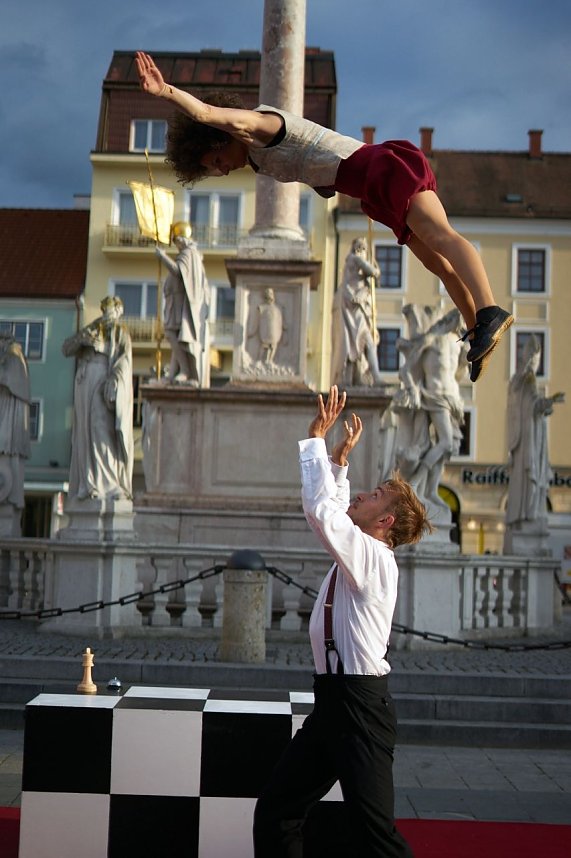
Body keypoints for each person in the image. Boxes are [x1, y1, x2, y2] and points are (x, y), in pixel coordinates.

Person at [135, 50, 513, 383]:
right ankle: (478, 333)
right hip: (370, 188)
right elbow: (311, 162)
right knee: (438, 264)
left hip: (382, 170)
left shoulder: (258, 126)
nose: (221, 170)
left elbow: (205, 114)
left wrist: (164, 91)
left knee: (444, 238)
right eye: (212, 170)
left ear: (222, 136)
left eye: (217, 160)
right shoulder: (258, 158)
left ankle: (489, 309)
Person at [253, 385, 432, 858]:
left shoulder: (374, 557)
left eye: (375, 496)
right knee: (277, 811)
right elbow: (334, 512)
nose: (364, 495)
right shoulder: (363, 549)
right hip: (334, 702)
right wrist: (336, 463)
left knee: (376, 836)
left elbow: (323, 514)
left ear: (385, 522)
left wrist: (316, 440)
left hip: (361, 709)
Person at [62, 296, 134, 501]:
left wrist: (114, 378)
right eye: (105, 309)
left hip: (103, 380)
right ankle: (87, 483)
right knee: (84, 432)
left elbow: (124, 360)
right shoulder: (91, 328)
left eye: (112, 309)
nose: (108, 313)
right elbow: (66, 348)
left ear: (119, 311)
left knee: (100, 428)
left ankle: (109, 484)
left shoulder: (120, 331)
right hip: (84, 381)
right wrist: (82, 341)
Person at [505, 334, 564, 526]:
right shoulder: (525, 380)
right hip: (528, 440)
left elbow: (531, 405)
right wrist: (551, 401)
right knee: (530, 478)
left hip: (531, 437)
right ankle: (528, 513)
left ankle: (528, 513)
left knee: (530, 479)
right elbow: (533, 405)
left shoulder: (521, 381)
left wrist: (546, 406)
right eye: (536, 360)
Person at [155, 221, 210, 385]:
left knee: (172, 334)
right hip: (175, 302)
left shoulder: (189, 254)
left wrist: (163, 257)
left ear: (183, 240)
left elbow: (178, 272)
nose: (176, 245)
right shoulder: (187, 254)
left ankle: (185, 371)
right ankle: (174, 374)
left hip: (181, 304)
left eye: (177, 241)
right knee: (177, 337)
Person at [331, 237, 383, 386]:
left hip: (356, 307)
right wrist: (375, 266)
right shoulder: (354, 259)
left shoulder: (354, 262)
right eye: (363, 248)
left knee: (365, 342)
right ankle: (375, 377)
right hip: (352, 307)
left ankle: (374, 377)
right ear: (358, 249)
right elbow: (373, 272)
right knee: (364, 341)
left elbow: (375, 281)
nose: (363, 251)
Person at [0, 332, 31, 512]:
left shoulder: (13, 357)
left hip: (8, 415)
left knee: (7, 450)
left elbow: (5, 378)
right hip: (7, 411)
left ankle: (9, 496)